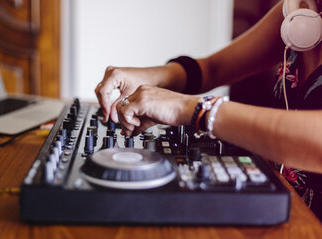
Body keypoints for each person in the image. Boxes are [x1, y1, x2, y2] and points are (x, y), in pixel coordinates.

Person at [95, 0, 322, 220]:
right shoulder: (300, 9)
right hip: (283, 210)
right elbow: (214, 68)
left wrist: (194, 110)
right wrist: (149, 77)